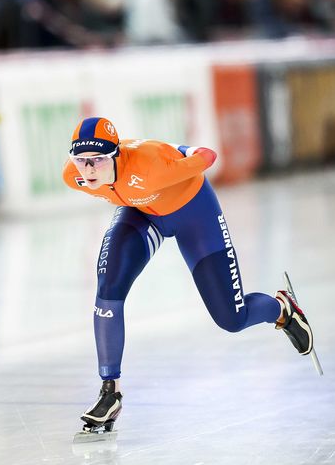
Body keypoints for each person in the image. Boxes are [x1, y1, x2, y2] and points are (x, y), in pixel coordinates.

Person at [62, 117, 314, 434]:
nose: (88, 170)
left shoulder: (151, 165)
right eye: (81, 160)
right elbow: (97, 173)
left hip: (194, 215)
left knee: (231, 319)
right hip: (143, 214)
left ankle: (281, 309)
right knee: (108, 286)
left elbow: (206, 157)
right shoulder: (74, 177)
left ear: (114, 155)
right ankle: (109, 392)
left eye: (97, 160)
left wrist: (184, 149)